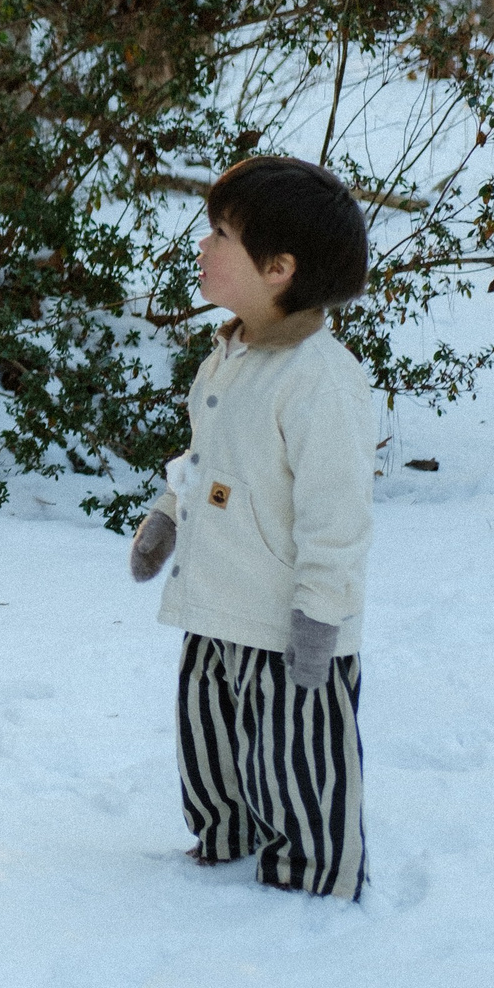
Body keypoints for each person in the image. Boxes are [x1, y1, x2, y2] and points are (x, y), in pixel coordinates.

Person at [127, 155, 375, 899]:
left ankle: (307, 881)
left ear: (278, 267)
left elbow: (337, 516)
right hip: (213, 603)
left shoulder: (318, 380)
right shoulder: (227, 356)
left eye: (220, 235)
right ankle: (225, 837)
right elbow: (205, 458)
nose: (202, 247)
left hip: (289, 624)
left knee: (297, 753)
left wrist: (320, 619)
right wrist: (169, 513)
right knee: (213, 743)